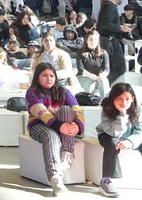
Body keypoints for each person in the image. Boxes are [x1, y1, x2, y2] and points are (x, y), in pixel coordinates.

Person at [25, 62, 85, 196]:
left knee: (66, 110)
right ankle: (55, 178)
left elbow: (77, 109)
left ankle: (67, 153)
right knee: (50, 135)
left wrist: (77, 125)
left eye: (52, 76)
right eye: (44, 75)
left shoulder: (64, 91)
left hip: (61, 125)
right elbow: (41, 112)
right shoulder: (32, 92)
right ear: (37, 77)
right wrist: (58, 126)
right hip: (39, 125)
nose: (49, 78)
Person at [95, 83, 142, 197]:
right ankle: (106, 180)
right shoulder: (107, 108)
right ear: (113, 98)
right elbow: (113, 133)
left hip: (129, 137)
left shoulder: (138, 108)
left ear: (132, 98)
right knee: (112, 143)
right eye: (120, 98)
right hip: (107, 134)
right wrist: (122, 114)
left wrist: (129, 142)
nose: (124, 102)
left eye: (127, 99)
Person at [76, 29, 110, 97]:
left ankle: (104, 100)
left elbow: (106, 69)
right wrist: (90, 75)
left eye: (95, 39)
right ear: (86, 40)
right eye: (91, 39)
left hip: (98, 77)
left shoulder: (103, 53)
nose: (93, 42)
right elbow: (80, 69)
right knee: (88, 82)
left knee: (103, 81)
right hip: (84, 76)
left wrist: (102, 75)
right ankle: (87, 100)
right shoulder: (80, 52)